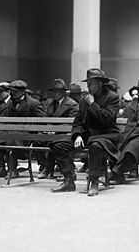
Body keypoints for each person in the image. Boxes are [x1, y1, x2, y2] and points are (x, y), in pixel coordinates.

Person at [48, 68, 120, 196]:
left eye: (91, 83)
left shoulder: (112, 98)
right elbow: (78, 121)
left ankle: (94, 181)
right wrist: (77, 135)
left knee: (95, 146)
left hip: (105, 135)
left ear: (100, 83)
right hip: (87, 136)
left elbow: (107, 119)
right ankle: (69, 179)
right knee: (57, 145)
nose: (88, 86)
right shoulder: (84, 99)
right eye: (87, 83)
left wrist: (93, 104)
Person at [37, 78, 79, 179]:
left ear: (64, 92)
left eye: (58, 91)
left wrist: (56, 129)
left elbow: (73, 122)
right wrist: (47, 128)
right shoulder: (51, 103)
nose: (55, 94)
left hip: (65, 133)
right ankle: (44, 165)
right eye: (54, 91)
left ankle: (49, 168)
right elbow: (47, 118)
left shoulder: (72, 104)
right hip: (51, 132)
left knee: (56, 142)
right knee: (37, 139)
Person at [7, 80, 46, 178]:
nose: (13, 93)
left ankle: (13, 167)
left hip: (29, 136)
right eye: (12, 91)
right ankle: (9, 168)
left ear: (22, 92)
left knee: (10, 137)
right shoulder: (11, 103)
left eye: (15, 91)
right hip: (14, 135)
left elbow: (43, 120)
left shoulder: (33, 103)